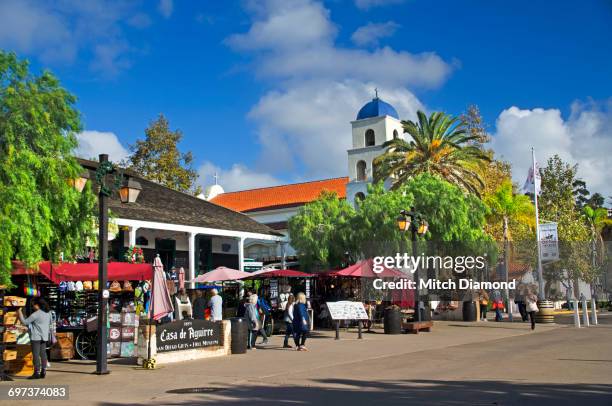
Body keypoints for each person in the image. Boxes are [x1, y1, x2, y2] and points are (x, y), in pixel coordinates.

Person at [17, 297, 52, 379]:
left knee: (36, 355)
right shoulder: (48, 313)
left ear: (37, 305)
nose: (33, 307)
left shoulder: (36, 314)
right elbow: (49, 323)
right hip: (44, 337)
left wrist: (19, 312)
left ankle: (36, 372)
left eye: (33, 305)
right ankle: (43, 370)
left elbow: (24, 322)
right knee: (43, 354)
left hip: (36, 337)